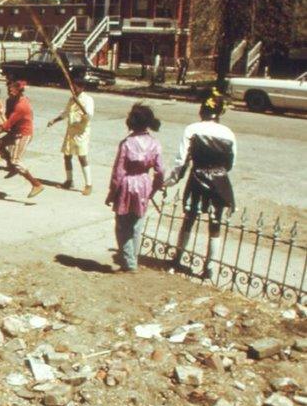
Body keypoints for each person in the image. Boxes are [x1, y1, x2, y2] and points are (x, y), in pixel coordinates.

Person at [164, 90, 236, 278]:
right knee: (215, 224)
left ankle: (177, 259)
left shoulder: (192, 129)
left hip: (197, 178)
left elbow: (182, 161)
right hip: (220, 180)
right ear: (220, 113)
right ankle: (209, 268)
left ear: (201, 110)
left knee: (189, 219)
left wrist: (171, 181)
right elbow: (230, 164)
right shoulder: (229, 134)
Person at [105, 103, 164, 273]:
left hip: (126, 184)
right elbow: (160, 170)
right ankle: (132, 260)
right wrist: (155, 187)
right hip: (144, 183)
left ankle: (129, 262)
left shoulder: (126, 143)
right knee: (137, 225)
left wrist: (111, 193)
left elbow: (118, 172)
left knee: (122, 225)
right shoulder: (154, 143)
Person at [0, 80, 43, 198]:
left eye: (13, 90)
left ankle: (36, 184)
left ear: (19, 91)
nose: (10, 92)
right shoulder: (10, 101)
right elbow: (7, 117)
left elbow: (8, 124)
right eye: (9, 89)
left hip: (23, 134)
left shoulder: (22, 105)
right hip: (15, 131)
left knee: (16, 160)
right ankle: (12, 167)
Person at [47, 77, 95, 195]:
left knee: (82, 157)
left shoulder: (88, 100)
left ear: (82, 87)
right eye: (72, 87)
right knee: (67, 156)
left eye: (76, 87)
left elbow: (89, 115)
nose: (73, 89)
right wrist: (55, 120)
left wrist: (85, 115)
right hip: (70, 131)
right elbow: (66, 113)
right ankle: (69, 181)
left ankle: (88, 184)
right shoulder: (72, 99)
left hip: (81, 132)